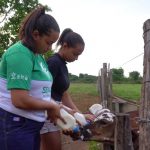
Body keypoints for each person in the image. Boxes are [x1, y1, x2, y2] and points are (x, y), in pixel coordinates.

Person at [0, 6, 64, 150]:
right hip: (15, 126)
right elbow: (19, 100)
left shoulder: (38, 57)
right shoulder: (19, 54)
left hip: (30, 126)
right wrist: (51, 106)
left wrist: (61, 107)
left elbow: (42, 93)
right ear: (36, 34)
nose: (50, 47)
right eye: (49, 42)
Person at [40, 28, 94, 150]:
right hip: (48, 112)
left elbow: (64, 94)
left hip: (58, 110)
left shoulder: (62, 64)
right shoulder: (53, 63)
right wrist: (66, 110)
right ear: (65, 46)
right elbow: (41, 91)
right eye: (75, 54)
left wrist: (79, 114)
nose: (76, 58)